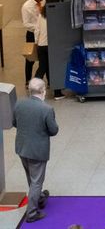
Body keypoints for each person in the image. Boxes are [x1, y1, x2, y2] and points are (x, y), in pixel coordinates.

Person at [13, 77, 58, 223]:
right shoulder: (46, 109)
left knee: (31, 178)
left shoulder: (19, 103)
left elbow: (14, 123)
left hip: (22, 147)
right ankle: (31, 213)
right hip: (37, 151)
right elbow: (53, 130)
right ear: (43, 91)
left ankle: (39, 197)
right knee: (36, 181)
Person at [33, 0, 64, 99]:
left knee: (42, 68)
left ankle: (34, 89)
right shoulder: (56, 15)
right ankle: (57, 92)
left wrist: (37, 43)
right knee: (55, 67)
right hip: (51, 46)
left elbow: (36, 30)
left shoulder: (42, 14)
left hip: (41, 45)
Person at [21, 0, 45, 86]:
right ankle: (28, 80)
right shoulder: (26, 7)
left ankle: (46, 80)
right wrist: (38, 26)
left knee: (43, 56)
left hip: (43, 33)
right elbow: (26, 24)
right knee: (30, 58)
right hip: (32, 34)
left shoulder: (43, 1)